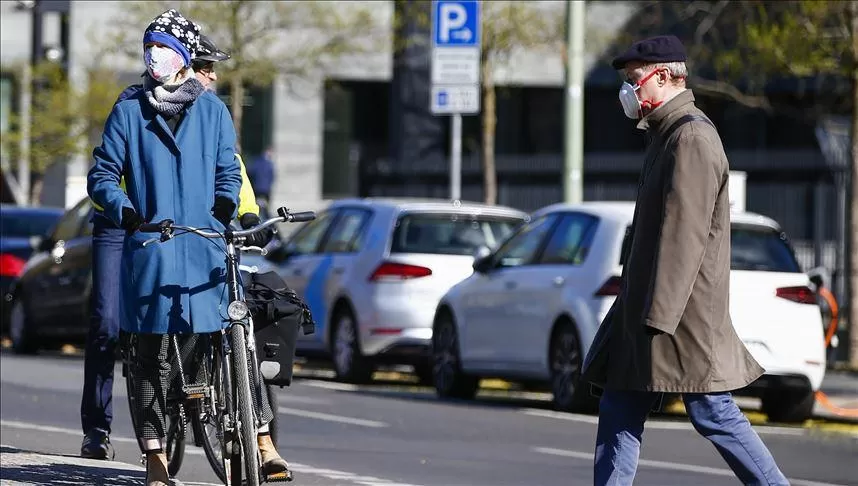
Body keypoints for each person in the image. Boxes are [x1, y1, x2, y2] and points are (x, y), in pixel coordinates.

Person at [582, 35, 788, 486]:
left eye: (634, 80)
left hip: (677, 315)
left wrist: (657, 316)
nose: (629, 91)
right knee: (620, 403)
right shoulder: (667, 132)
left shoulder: (691, 136)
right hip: (651, 310)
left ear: (661, 76)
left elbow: (684, 236)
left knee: (712, 409)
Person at [78, 33, 271, 462]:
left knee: (214, 311)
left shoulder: (211, 113)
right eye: (207, 67)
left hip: (189, 226)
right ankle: (98, 426)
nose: (213, 75)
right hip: (128, 223)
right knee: (110, 321)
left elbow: (230, 168)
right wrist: (127, 212)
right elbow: (106, 173)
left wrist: (248, 215)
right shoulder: (131, 107)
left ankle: (209, 403)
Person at [247, 146, 275, 214]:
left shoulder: (257, 161)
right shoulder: (269, 163)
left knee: (259, 205)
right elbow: (272, 176)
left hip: (258, 187)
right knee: (264, 207)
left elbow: (250, 171)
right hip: (264, 189)